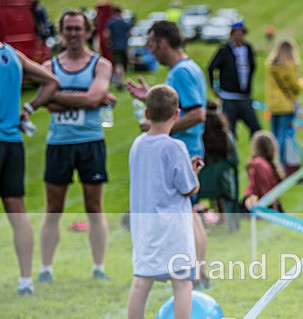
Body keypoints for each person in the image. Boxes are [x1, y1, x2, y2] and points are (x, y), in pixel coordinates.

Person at [126, 20, 210, 289]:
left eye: (151, 45)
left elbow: (197, 113)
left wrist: (157, 127)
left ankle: (198, 273)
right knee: (191, 212)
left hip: (184, 150)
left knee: (189, 215)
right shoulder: (188, 67)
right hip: (188, 148)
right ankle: (200, 271)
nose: (150, 51)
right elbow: (180, 107)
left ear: (163, 43)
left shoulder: (180, 72)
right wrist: (148, 97)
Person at [126, 84, 203, 319]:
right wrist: (193, 171)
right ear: (177, 114)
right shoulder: (176, 147)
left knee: (141, 281)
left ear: (146, 112)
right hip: (172, 228)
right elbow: (188, 188)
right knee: (182, 282)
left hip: (144, 227)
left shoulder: (137, 144)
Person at [39, 10, 115, 285]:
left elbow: (94, 98)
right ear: (62, 31)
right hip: (58, 143)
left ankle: (98, 266)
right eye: (68, 29)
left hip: (90, 142)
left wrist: (58, 95)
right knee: (53, 208)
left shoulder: (100, 64)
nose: (73, 34)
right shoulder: (49, 67)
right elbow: (48, 102)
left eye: (77, 29)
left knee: (94, 207)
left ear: (87, 31)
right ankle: (46, 268)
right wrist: (86, 97)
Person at [0, 42, 59, 296]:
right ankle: (26, 281)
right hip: (12, 144)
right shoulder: (12, 55)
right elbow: (52, 81)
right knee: (17, 212)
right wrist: (28, 109)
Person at [207, 20, 261, 138]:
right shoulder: (224, 51)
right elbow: (211, 68)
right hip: (229, 98)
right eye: (236, 33)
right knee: (229, 131)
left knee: (256, 128)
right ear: (232, 34)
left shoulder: (248, 49)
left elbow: (252, 67)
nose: (239, 36)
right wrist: (214, 87)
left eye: (241, 33)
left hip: (244, 97)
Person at [266, 38, 303, 170]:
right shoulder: (289, 66)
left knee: (274, 135)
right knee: (283, 137)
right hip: (285, 104)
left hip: (273, 104)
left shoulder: (270, 66)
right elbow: (295, 87)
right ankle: (279, 165)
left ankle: (270, 162)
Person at [197, 101, 239, 225]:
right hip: (222, 185)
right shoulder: (226, 137)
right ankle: (224, 218)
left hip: (200, 185)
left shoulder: (198, 137)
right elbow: (235, 161)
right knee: (222, 177)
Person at [243, 130, 284, 212]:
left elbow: (264, 190)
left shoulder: (260, 164)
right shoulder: (263, 164)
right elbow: (265, 190)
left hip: (262, 204)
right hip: (263, 204)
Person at [104, 6, 131, 89]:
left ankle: (119, 81)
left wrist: (108, 42)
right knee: (123, 64)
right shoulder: (125, 22)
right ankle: (121, 80)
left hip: (115, 46)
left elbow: (106, 34)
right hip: (124, 46)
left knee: (118, 64)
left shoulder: (111, 22)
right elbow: (129, 33)